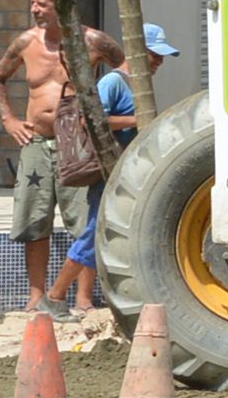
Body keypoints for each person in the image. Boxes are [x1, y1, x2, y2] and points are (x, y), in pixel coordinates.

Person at [56, 22, 158, 323]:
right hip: (106, 171)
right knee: (92, 233)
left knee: (100, 234)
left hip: (123, 173)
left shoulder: (136, 84)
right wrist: (133, 121)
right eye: (155, 56)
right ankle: (55, 296)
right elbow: (90, 120)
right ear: (140, 52)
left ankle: (74, 298)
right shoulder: (113, 82)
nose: (159, 63)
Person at [0, 0, 73, 317]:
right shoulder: (25, 42)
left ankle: (79, 297)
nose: (35, 10)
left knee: (82, 220)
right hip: (36, 142)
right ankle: (36, 294)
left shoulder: (86, 41)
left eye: (42, 4)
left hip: (74, 145)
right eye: (33, 3)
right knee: (34, 220)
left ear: (60, 6)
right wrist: (8, 119)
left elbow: (124, 69)